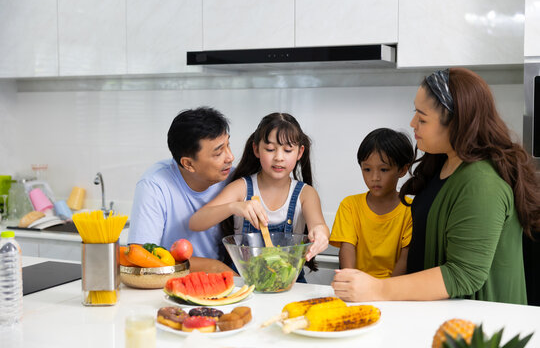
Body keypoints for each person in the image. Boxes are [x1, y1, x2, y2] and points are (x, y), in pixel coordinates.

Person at [332, 68, 540, 304]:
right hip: (439, 314)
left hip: (478, 326)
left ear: (456, 123)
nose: (412, 123)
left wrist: (379, 289)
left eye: (422, 118)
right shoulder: (442, 162)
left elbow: (464, 274)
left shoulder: (482, 183)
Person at [189, 112, 330, 280]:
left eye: (287, 150)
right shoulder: (241, 188)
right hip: (243, 279)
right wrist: (235, 207)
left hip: (289, 281)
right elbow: (195, 222)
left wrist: (321, 234)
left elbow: (319, 226)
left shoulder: (305, 194)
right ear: (256, 149)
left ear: (299, 153)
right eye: (270, 149)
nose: (279, 157)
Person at [127, 107, 236, 273]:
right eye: (219, 152)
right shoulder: (154, 184)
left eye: (228, 145)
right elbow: (141, 255)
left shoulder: (232, 178)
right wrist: (214, 267)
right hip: (169, 280)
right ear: (188, 164)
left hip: (221, 280)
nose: (230, 157)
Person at [329, 128, 414, 278]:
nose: (374, 177)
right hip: (356, 286)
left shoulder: (411, 209)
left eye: (384, 169)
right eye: (367, 169)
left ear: (402, 170)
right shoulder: (349, 205)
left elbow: (406, 259)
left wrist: (385, 291)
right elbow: (347, 249)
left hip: (394, 291)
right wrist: (351, 281)